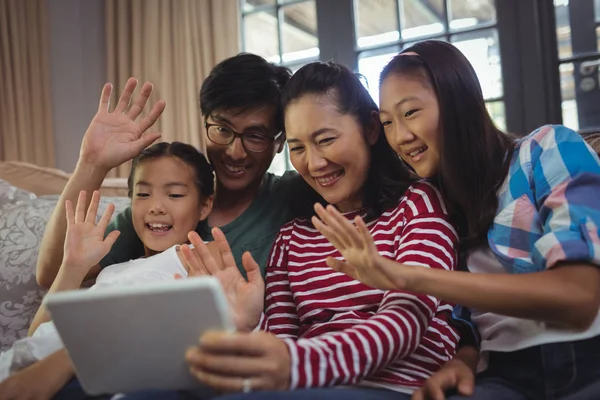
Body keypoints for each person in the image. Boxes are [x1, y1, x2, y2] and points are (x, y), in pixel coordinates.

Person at [138, 61, 463, 400]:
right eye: (297, 148)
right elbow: (279, 339)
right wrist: (245, 324)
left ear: (370, 128)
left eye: (326, 140)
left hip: (389, 385)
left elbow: (405, 321)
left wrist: (294, 364)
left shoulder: (418, 204)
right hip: (303, 385)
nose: (314, 162)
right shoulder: (292, 236)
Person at [314, 40, 600, 400]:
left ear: (457, 102)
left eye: (411, 112)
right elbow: (472, 318)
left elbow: (578, 298)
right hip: (501, 373)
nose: (400, 137)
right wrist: (464, 358)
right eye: (387, 122)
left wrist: (406, 276)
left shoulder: (546, 149)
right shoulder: (435, 204)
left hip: (584, 357)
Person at [36, 53, 305, 290]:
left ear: (280, 141)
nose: (235, 151)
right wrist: (92, 162)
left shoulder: (292, 194)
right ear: (205, 124)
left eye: (255, 136)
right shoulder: (165, 208)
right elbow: (52, 274)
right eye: (222, 129)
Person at [0, 142, 217, 400]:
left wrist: (69, 358)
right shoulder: (111, 271)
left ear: (204, 206)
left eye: (175, 195)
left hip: (91, 382)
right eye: (143, 194)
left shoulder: (201, 254)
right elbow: (37, 340)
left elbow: (174, 336)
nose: (156, 206)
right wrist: (72, 266)